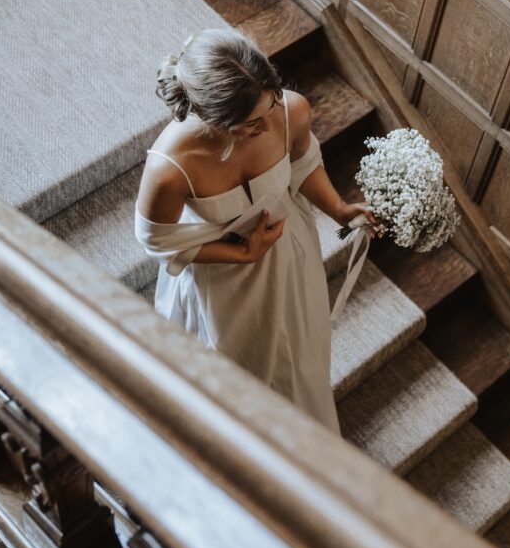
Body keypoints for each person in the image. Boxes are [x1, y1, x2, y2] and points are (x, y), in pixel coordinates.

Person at [134, 26, 380, 434]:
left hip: (289, 253)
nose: (268, 126)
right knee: (233, 371)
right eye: (250, 124)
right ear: (213, 119)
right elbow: (157, 240)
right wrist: (242, 253)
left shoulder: (291, 110)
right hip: (222, 278)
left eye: (271, 105)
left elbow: (302, 164)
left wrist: (338, 208)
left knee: (298, 354)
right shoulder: (170, 167)